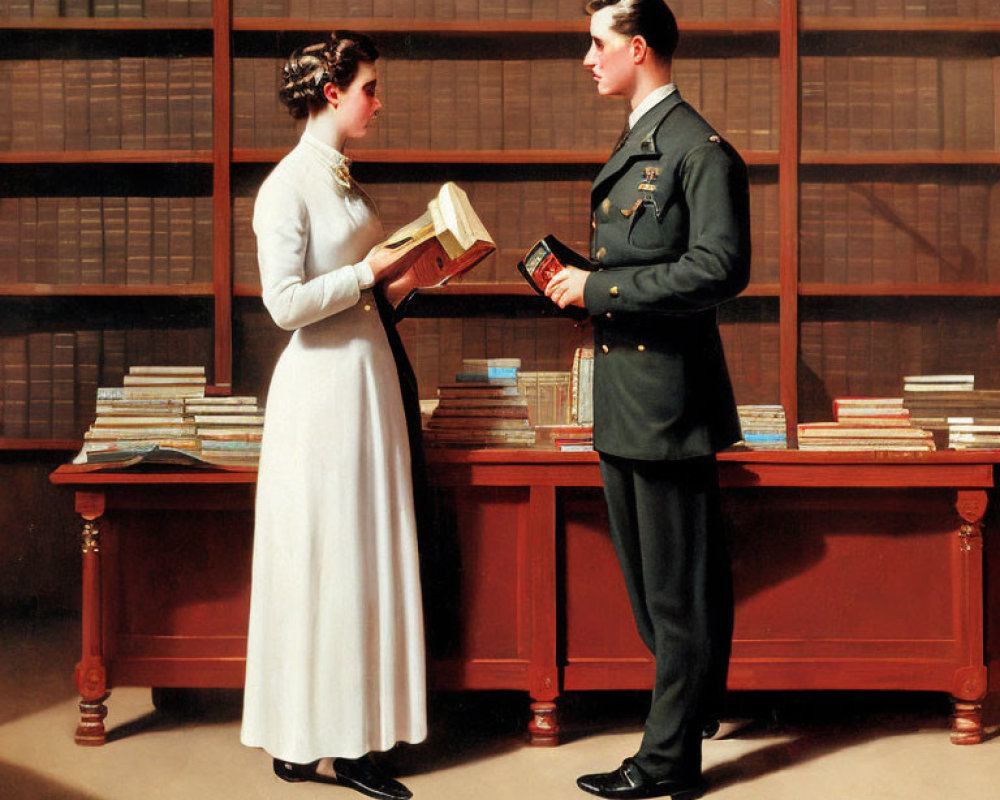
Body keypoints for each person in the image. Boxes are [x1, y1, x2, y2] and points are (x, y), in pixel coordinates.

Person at [545, 2, 751, 798]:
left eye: (598, 45)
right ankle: (690, 711)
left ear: (637, 48)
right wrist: (581, 283)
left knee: (675, 594)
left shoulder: (698, 150)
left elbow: (719, 269)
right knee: (652, 589)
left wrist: (601, 286)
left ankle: (666, 759)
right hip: (629, 401)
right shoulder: (641, 139)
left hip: (668, 404)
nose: (587, 59)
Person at [240, 31, 427, 800]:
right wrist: (367, 272)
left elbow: (361, 288)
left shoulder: (343, 179)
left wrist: (412, 277)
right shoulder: (287, 186)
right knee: (329, 560)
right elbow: (284, 305)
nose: (378, 102)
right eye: (371, 89)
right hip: (320, 397)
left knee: (359, 555)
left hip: (364, 380)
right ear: (332, 93)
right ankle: (326, 742)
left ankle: (333, 735)